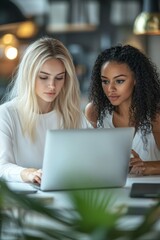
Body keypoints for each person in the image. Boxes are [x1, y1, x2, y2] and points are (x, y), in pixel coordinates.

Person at [0, 36, 92, 183]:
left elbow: (95, 155)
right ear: (28, 76)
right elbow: (2, 167)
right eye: (43, 77)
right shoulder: (7, 114)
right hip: (26, 200)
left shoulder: (71, 114)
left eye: (59, 78)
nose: (52, 86)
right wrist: (26, 173)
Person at [85, 44, 160, 176]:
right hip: (110, 191)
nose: (110, 89)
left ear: (136, 79)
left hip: (150, 192)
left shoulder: (155, 115)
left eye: (119, 81)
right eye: (105, 81)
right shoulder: (94, 111)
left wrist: (147, 167)